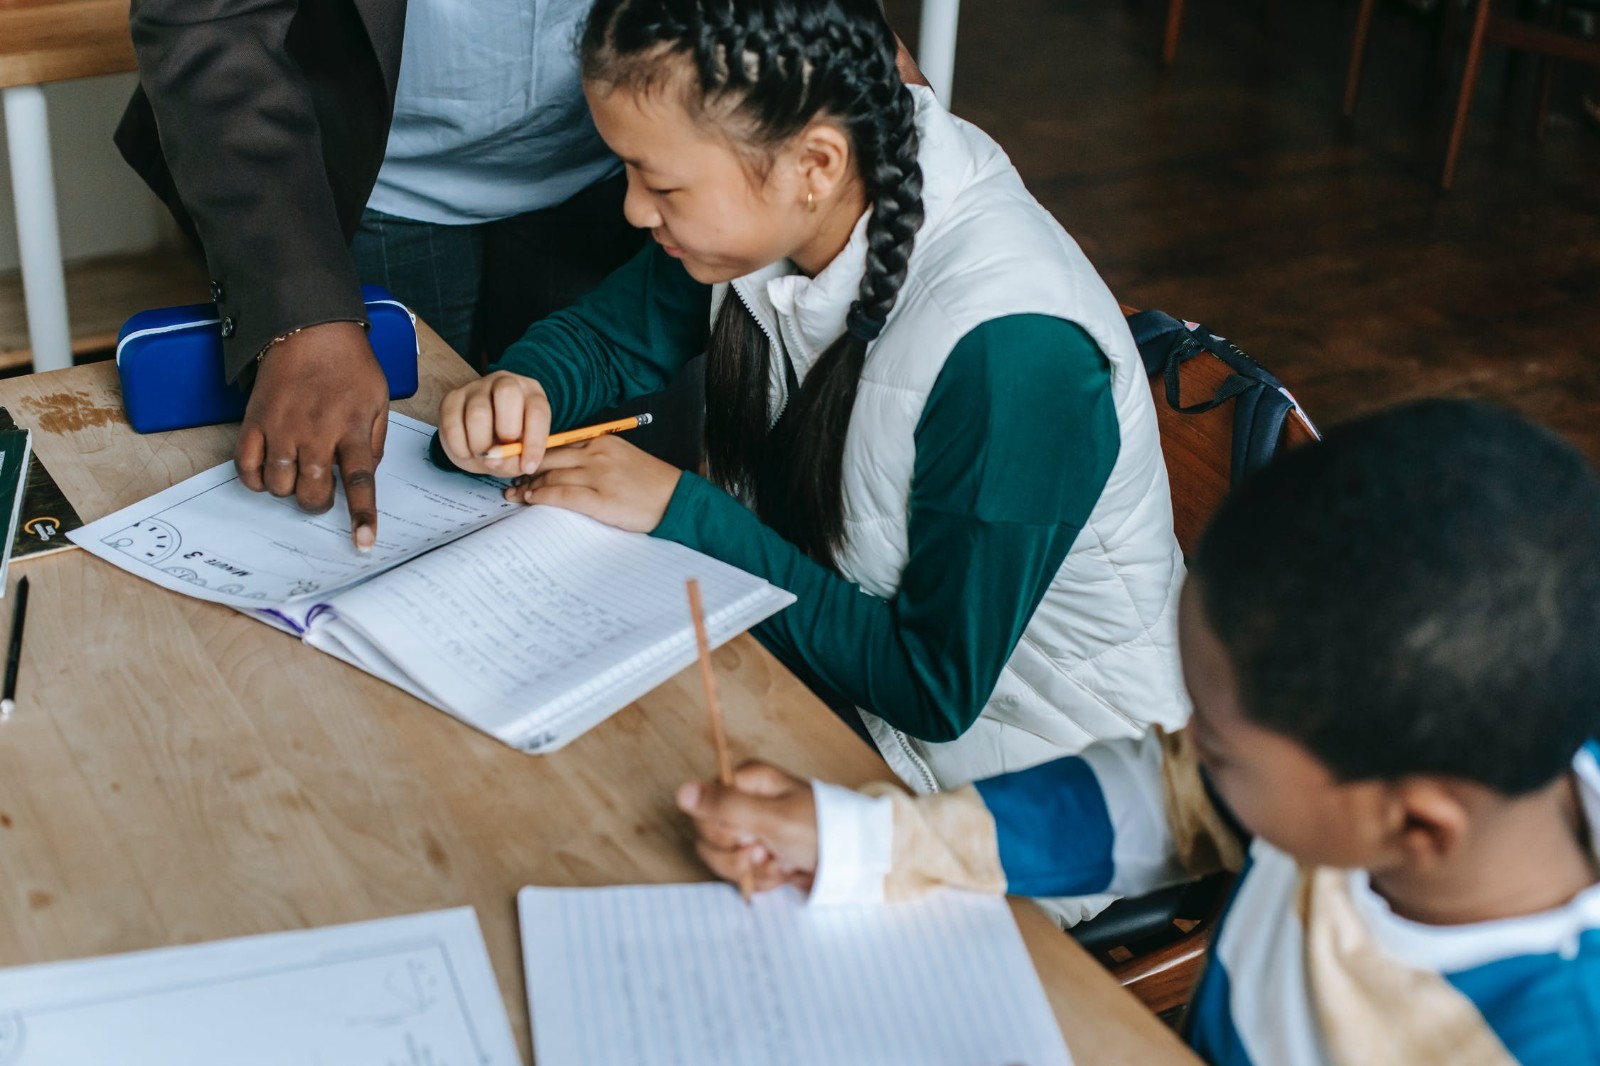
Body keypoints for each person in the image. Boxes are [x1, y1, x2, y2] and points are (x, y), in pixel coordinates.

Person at [433, 0, 1190, 854]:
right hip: (817, 686)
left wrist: (680, 512)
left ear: (815, 165)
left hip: (1032, 792)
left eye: (661, 184)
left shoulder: (1013, 355)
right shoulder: (783, 204)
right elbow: (611, 337)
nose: (635, 212)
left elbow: (932, 690)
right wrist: (519, 386)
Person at [677, 399, 1600, 1064]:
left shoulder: (1534, 1037)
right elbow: (1162, 797)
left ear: (1418, 829)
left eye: (1221, 748)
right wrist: (859, 839)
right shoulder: (1392, 769)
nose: (1186, 749)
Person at [114, 0, 698, 551]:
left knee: (594, 530)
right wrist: (302, 308)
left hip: (617, 165)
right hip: (363, 173)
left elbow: (618, 343)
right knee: (394, 483)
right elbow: (209, 16)